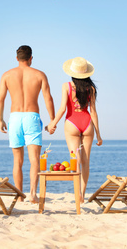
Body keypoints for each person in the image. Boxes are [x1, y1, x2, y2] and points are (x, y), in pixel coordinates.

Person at [0, 45, 55, 203]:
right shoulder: (39, 74)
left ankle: (19, 196)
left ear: (17, 58)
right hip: (31, 117)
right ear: (31, 58)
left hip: (14, 117)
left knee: (17, 160)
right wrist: (52, 120)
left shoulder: (7, 75)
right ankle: (33, 194)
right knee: (34, 159)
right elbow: (47, 98)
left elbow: (0, 99)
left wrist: (0, 119)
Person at [47, 57, 102, 203]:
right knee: (86, 161)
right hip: (87, 123)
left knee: (75, 160)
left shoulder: (66, 86)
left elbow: (62, 109)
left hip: (72, 123)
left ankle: (77, 193)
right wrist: (98, 135)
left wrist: (53, 123)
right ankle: (82, 195)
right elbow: (94, 112)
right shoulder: (91, 88)